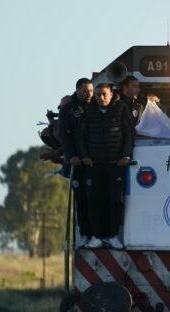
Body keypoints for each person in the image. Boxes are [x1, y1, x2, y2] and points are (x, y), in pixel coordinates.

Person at [79, 82, 136, 249]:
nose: (101, 98)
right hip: (94, 165)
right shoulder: (88, 111)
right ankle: (96, 236)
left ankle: (112, 236)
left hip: (115, 165)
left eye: (104, 94)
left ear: (111, 94)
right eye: (97, 95)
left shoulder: (121, 108)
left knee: (114, 201)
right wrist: (85, 156)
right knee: (95, 202)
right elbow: (81, 136)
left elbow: (129, 133)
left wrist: (126, 155)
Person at [60, 78, 94, 247]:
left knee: (96, 199)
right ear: (77, 90)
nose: (89, 95)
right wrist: (72, 155)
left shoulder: (96, 106)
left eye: (91, 91)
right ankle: (85, 234)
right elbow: (64, 136)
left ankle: (98, 234)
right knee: (81, 200)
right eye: (85, 91)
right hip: (77, 163)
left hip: (94, 162)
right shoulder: (68, 110)